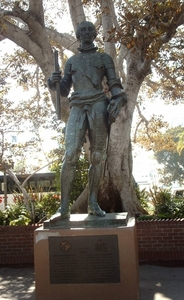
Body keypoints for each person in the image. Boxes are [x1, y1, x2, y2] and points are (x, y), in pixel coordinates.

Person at [48, 21, 127, 220]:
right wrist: (53, 82)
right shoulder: (72, 61)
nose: (85, 32)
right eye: (82, 30)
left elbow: (114, 85)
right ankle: (64, 206)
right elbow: (64, 89)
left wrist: (120, 98)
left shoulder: (104, 58)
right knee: (70, 153)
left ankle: (93, 202)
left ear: (94, 34)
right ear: (77, 34)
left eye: (89, 29)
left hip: (98, 105)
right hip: (77, 106)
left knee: (97, 156)